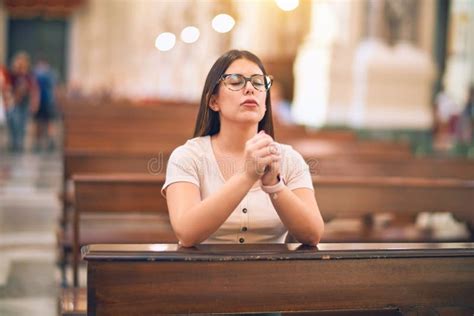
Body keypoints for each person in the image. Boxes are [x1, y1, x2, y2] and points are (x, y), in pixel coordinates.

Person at [162, 50, 324, 247]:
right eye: (236, 81)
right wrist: (247, 175)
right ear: (214, 101)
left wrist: (274, 185)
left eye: (258, 82)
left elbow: (312, 234)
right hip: (204, 274)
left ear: (265, 104)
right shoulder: (188, 157)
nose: (249, 89)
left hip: (274, 275)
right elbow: (186, 232)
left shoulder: (289, 159)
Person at [6, 51, 38, 152]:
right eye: (19, 61)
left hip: (25, 102)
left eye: (23, 62)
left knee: (22, 123)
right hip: (14, 101)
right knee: (13, 121)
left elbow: (34, 89)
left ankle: (19, 143)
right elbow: (7, 86)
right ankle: (14, 141)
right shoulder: (12, 74)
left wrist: (34, 102)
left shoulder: (29, 75)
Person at [33, 59, 57, 152]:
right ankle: (38, 142)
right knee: (39, 123)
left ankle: (49, 140)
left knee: (48, 122)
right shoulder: (37, 74)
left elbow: (53, 88)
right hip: (41, 102)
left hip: (48, 102)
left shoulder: (49, 75)